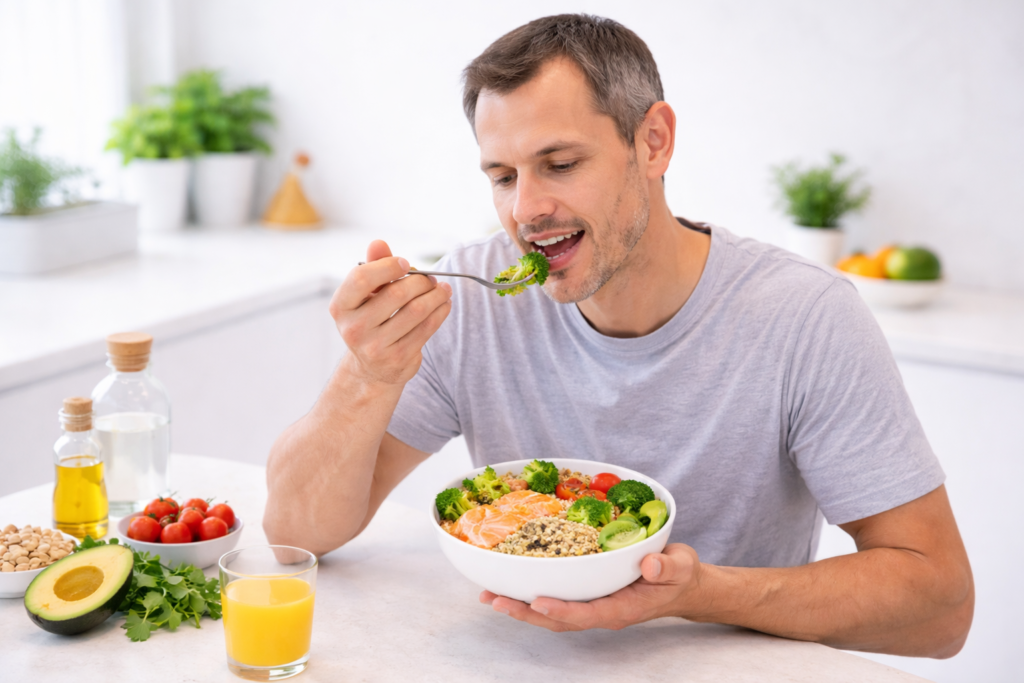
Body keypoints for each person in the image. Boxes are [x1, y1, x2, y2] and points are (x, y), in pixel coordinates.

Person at [264, 14, 973, 656]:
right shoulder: (469, 297)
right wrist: (365, 374)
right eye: (502, 175)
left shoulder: (803, 317)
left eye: (561, 164)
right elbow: (298, 531)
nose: (527, 209)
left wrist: (700, 592)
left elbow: (940, 607)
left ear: (653, 141)